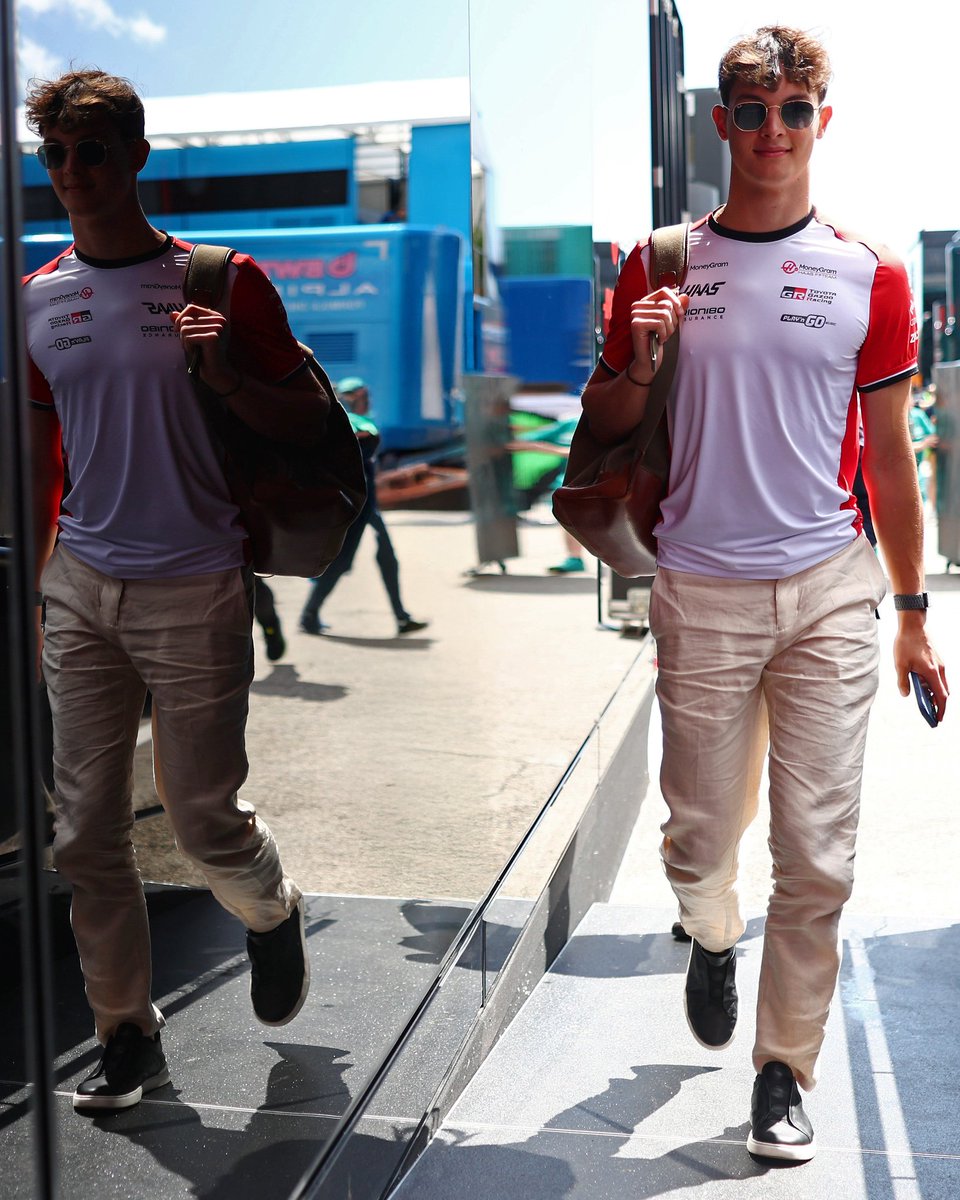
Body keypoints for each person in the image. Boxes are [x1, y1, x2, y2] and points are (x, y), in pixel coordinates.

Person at [580, 26, 948, 1164]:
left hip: (833, 590)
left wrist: (913, 612)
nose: (774, 131)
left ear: (821, 123)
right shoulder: (661, 264)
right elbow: (602, 434)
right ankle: (709, 930)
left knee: (820, 853)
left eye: (796, 111)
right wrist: (638, 361)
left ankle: (784, 1070)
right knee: (696, 839)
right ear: (721, 124)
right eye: (753, 111)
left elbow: (891, 459)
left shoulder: (869, 271)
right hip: (700, 584)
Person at [24, 69, 325, 1112]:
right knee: (83, 832)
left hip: (196, 583)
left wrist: (229, 373)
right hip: (82, 587)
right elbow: (32, 463)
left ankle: (271, 909)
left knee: (202, 823)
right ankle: (126, 1033)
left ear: (136, 158)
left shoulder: (219, 281)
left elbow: (307, 431)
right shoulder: (40, 300)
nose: (71, 172)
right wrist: (34, 588)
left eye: (91, 152)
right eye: (55, 155)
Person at [299, 377, 428, 637]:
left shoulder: (350, 421)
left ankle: (401, 616)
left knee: (385, 555)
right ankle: (309, 615)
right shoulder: (343, 421)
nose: (366, 402)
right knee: (340, 561)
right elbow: (363, 436)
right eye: (360, 397)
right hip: (355, 504)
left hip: (366, 502)